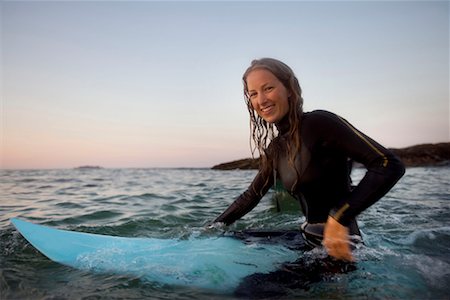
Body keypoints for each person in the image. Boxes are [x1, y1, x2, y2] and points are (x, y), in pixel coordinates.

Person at [213, 58, 405, 261]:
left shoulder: (319, 124)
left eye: (268, 88)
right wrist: (211, 228)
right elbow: (251, 195)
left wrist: (339, 217)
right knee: (231, 238)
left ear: (289, 89)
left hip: (339, 247)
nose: (261, 100)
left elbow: (388, 164)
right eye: (253, 94)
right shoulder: (276, 148)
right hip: (308, 237)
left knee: (251, 291)